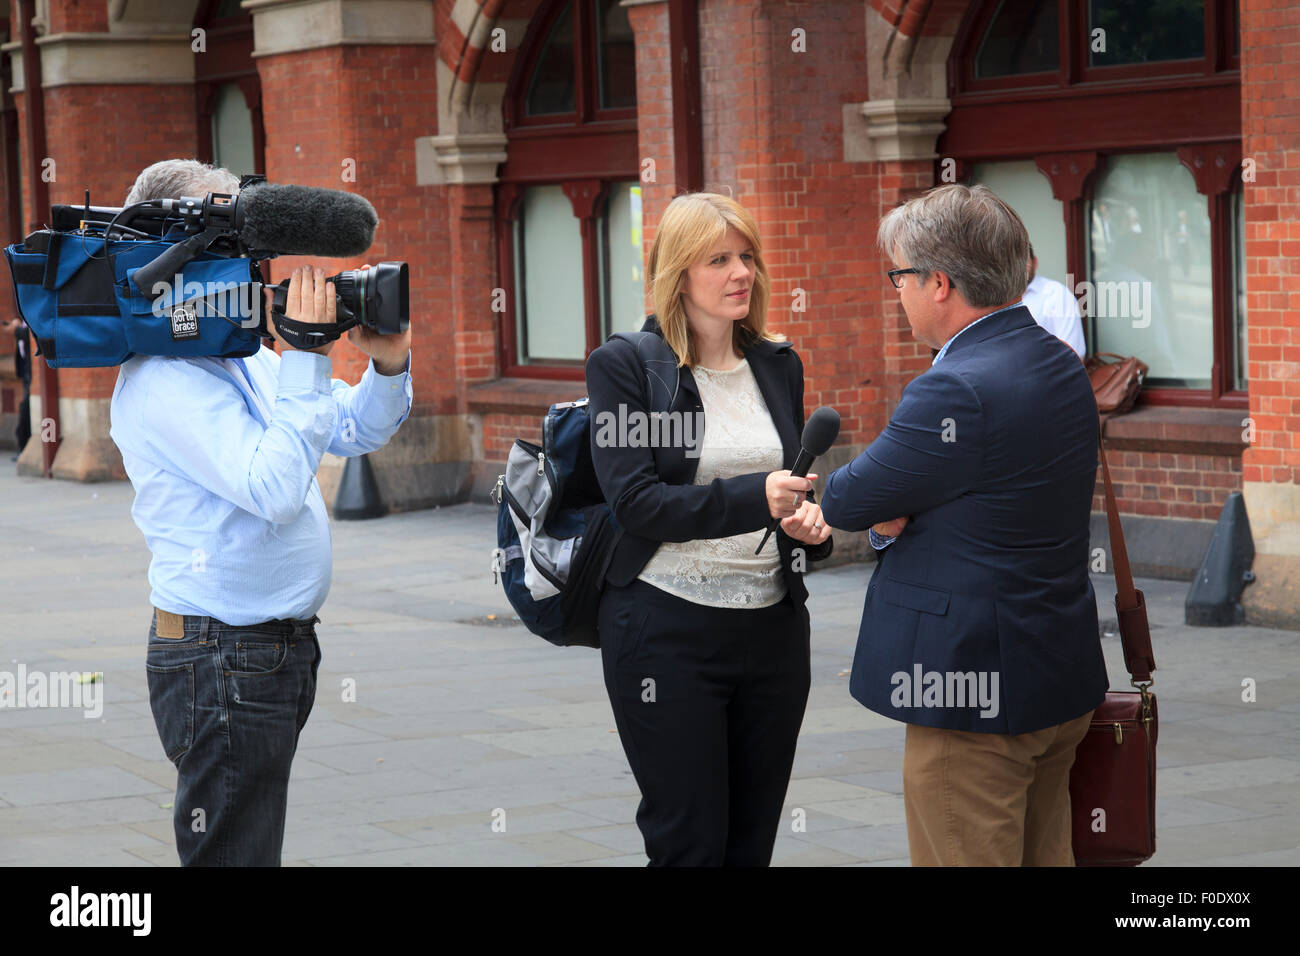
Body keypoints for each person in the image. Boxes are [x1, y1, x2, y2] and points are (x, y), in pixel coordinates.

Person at [109, 159, 413, 866]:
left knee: (248, 844)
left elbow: (351, 429)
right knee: (236, 855)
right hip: (220, 657)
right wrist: (306, 350)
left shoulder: (240, 356)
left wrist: (388, 365)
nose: (252, 259)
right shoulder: (163, 381)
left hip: (270, 649)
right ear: (174, 255)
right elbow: (273, 486)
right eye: (230, 237)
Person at [820, 183, 1108, 867]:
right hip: (1056, 672)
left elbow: (847, 498)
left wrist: (889, 516)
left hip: (973, 693)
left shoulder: (957, 386)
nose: (898, 293)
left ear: (939, 282)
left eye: (900, 276)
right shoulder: (1058, 363)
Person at [584, 192, 832, 866]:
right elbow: (636, 503)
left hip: (774, 632)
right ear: (677, 273)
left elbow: (792, 484)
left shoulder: (778, 363)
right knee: (689, 842)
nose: (740, 272)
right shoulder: (628, 366)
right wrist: (760, 497)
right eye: (718, 259)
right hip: (666, 633)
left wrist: (810, 527)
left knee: (750, 845)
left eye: (747, 256)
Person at [1022, 245, 1086, 358]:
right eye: (1012, 262)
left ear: (1035, 262)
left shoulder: (1057, 294)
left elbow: (1074, 354)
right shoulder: (996, 298)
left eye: (1023, 259)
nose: (1018, 267)